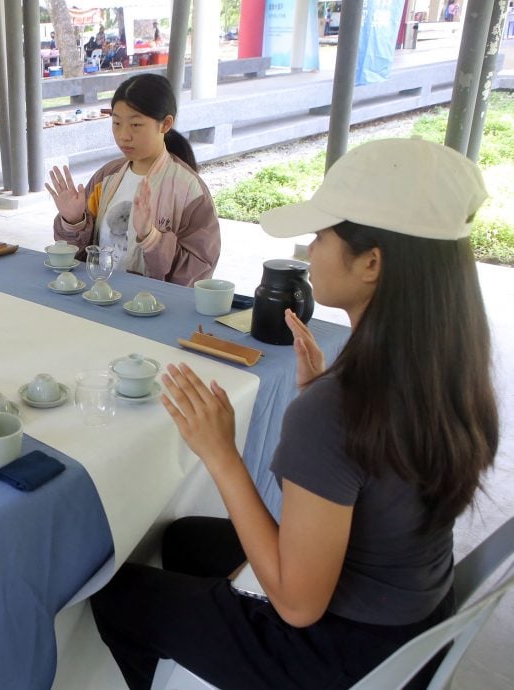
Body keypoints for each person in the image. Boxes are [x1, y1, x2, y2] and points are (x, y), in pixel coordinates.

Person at [90, 138, 498, 689]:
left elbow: (299, 607)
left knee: (119, 597)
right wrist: (316, 406)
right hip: (410, 620)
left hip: (338, 654)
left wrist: (222, 456)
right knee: (185, 538)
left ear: (372, 262)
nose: (309, 250)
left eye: (322, 235)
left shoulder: (341, 406)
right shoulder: (444, 364)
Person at [46, 73, 220, 287]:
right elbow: (80, 258)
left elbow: (198, 271)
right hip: (102, 298)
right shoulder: (106, 178)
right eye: (117, 123)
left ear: (165, 124)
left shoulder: (189, 190)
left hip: (151, 310)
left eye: (135, 125)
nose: (123, 135)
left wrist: (151, 237)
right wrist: (74, 222)